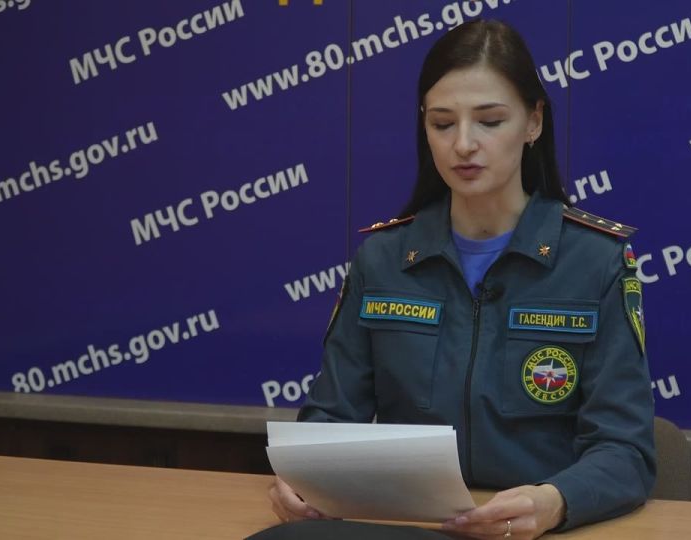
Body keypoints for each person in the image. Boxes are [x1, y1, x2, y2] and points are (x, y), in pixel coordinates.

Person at [264, 18, 655, 539]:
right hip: (408, 526)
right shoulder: (383, 259)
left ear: (534, 121)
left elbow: (626, 451)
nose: (463, 144)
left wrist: (555, 502)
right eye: (442, 124)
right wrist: (300, 476)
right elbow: (330, 419)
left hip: (537, 532)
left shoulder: (596, 261)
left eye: (489, 121)